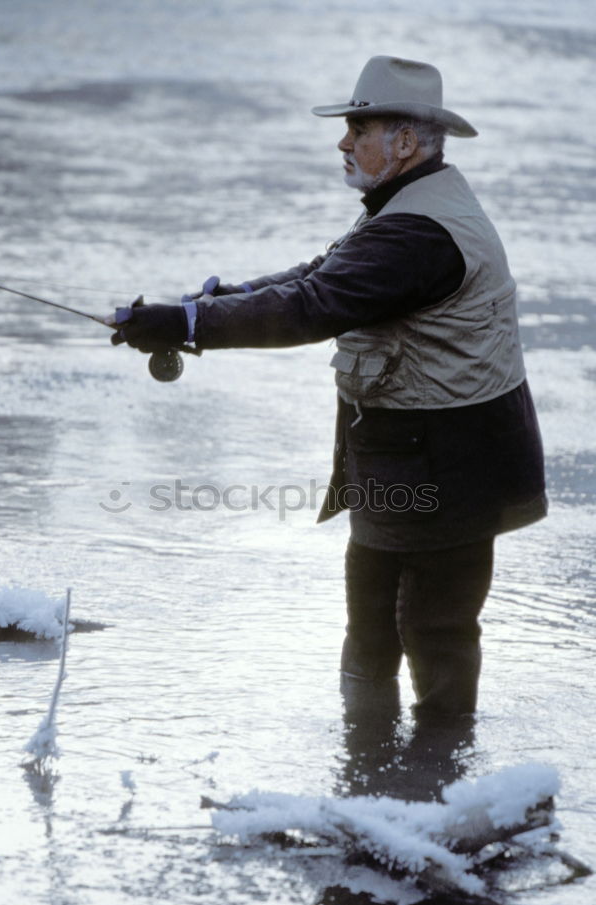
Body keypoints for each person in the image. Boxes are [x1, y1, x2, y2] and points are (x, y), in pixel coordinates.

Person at [107, 56, 547, 720]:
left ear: (404, 142)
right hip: (410, 455)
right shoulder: (411, 203)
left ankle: (436, 778)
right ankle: (372, 766)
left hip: (449, 464)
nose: (342, 142)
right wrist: (216, 302)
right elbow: (324, 273)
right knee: (370, 625)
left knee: (433, 630)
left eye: (357, 127)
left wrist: (191, 322)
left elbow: (313, 306)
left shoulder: (417, 231)